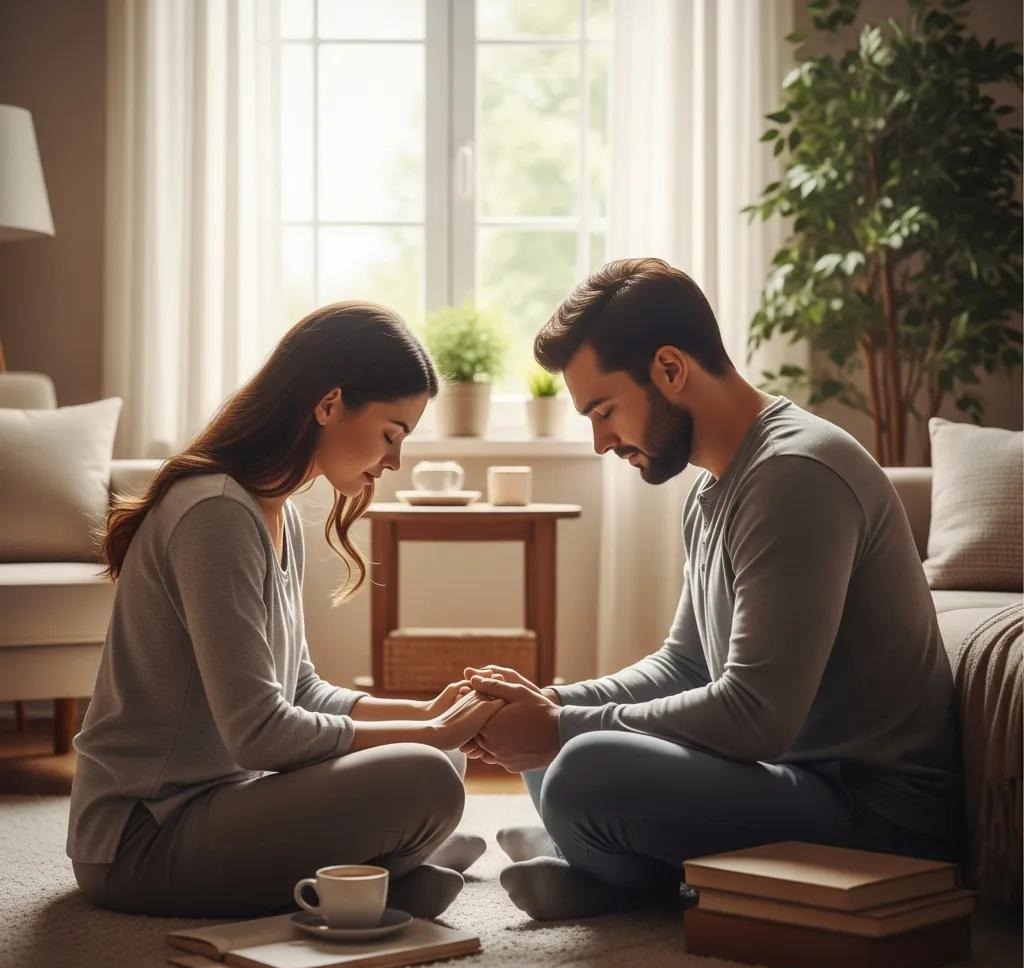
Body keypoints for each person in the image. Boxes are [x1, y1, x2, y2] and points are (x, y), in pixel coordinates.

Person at [462, 258, 964, 921]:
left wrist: (560, 727)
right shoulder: (713, 488)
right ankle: (597, 858)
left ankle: (614, 874)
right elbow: (685, 665)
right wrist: (549, 703)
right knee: (550, 739)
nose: (601, 441)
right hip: (792, 780)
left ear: (670, 369)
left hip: (874, 817)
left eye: (604, 410)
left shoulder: (794, 475)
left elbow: (756, 716)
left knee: (582, 767)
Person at [68, 302, 503, 919]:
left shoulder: (276, 512)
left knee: (442, 759)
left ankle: (383, 870)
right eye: (391, 434)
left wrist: (430, 714)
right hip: (141, 838)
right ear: (328, 404)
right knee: (427, 774)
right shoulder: (215, 512)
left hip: (224, 803)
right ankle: (388, 869)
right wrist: (427, 733)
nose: (395, 462)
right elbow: (260, 734)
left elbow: (300, 690)